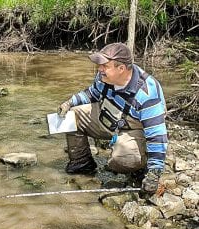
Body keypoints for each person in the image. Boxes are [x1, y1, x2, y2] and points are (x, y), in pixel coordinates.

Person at [57, 42, 168, 194]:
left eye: (104, 66)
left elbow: (157, 137)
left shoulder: (147, 93)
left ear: (121, 68)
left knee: (119, 160)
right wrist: (70, 102)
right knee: (70, 116)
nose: (99, 69)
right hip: (111, 117)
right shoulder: (104, 77)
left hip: (135, 129)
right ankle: (82, 163)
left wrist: (154, 174)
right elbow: (92, 93)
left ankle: (139, 169)